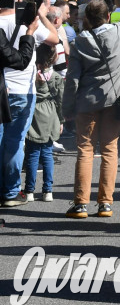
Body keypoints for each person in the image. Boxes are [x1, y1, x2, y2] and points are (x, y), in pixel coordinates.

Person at [63, 0, 120, 219]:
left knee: (85, 151)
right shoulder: (119, 32)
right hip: (114, 101)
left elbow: (72, 80)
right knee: (109, 150)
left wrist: (67, 108)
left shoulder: (78, 43)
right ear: (108, 16)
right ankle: (105, 203)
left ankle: (80, 204)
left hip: (86, 103)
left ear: (87, 19)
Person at [0, 0, 59, 207]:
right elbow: (54, 39)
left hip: (2, 88)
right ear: (18, 1)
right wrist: (40, 14)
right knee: (15, 142)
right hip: (22, 90)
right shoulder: (28, 23)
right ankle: (10, 192)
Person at [23, 44, 62, 202]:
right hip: (51, 114)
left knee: (32, 155)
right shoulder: (56, 77)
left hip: (33, 114)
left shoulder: (30, 75)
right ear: (53, 59)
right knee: (47, 154)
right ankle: (48, 191)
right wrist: (61, 120)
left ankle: (29, 191)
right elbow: (61, 100)